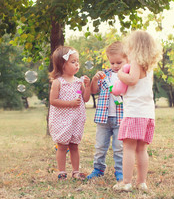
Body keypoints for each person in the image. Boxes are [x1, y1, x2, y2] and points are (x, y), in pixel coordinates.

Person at [112, 30, 162, 192]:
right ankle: (141, 182)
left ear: (134, 47)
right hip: (147, 114)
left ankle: (126, 182)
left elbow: (132, 80)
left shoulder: (134, 63)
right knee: (142, 149)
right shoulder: (149, 67)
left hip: (134, 113)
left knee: (128, 147)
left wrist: (120, 74)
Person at [87, 41, 128, 182]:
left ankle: (120, 171)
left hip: (120, 119)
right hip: (103, 118)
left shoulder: (127, 76)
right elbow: (93, 90)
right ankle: (98, 169)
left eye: (119, 62)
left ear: (127, 60)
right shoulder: (105, 75)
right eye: (112, 63)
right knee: (100, 146)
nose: (115, 66)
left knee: (119, 148)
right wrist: (94, 79)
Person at [48, 46, 91, 180]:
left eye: (78, 61)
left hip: (76, 119)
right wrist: (70, 103)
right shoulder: (58, 82)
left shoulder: (79, 82)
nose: (77, 64)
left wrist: (88, 86)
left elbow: (85, 98)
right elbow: (53, 101)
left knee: (74, 145)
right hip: (62, 120)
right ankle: (61, 171)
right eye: (73, 62)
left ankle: (76, 171)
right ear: (62, 64)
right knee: (62, 146)